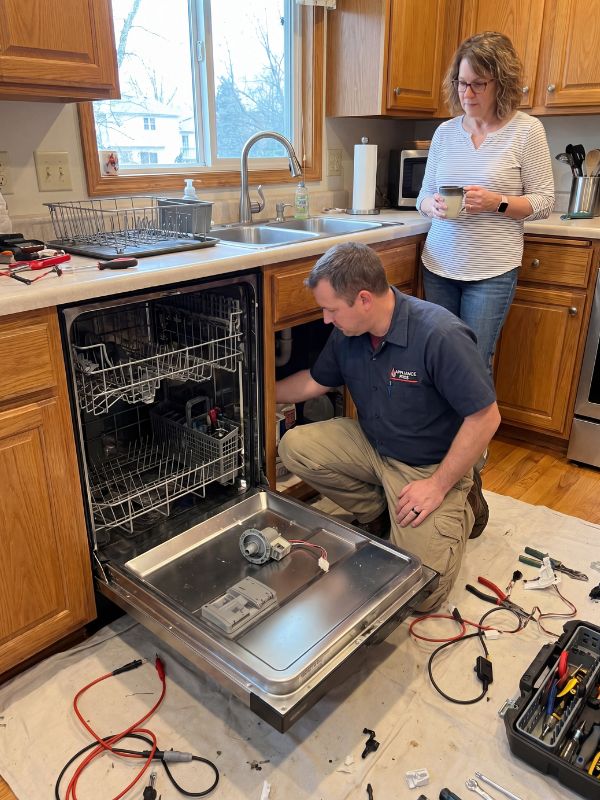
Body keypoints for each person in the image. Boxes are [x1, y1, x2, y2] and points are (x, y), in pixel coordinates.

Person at [276, 242, 501, 611]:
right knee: (296, 447)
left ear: (364, 299)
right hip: (375, 444)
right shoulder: (348, 333)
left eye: (331, 309)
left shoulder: (439, 335)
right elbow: (314, 382)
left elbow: (486, 417)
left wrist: (437, 485)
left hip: (427, 466)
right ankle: (379, 513)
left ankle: (466, 497)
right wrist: (258, 392)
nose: (326, 320)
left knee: (421, 593)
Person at [416, 31, 554, 376]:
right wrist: (431, 206)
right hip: (439, 266)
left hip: (492, 271)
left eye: (478, 84)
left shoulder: (527, 131)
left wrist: (498, 203)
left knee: (473, 365)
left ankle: (477, 417)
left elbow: (544, 201)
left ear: (501, 83)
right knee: (438, 360)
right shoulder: (445, 133)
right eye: (462, 83)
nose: (467, 93)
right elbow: (423, 195)